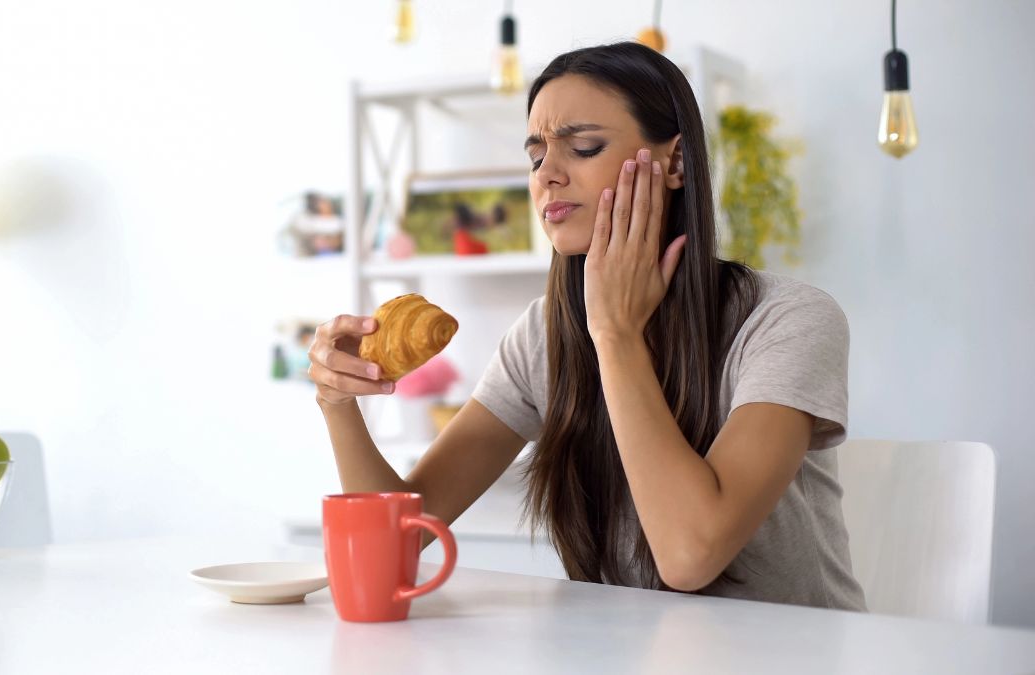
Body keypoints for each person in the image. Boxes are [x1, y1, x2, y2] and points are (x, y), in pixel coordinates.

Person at [307, 41, 865, 610]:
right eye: (535, 156)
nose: (547, 174)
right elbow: (406, 538)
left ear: (674, 163)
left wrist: (617, 335)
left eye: (583, 146)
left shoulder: (787, 321)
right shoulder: (544, 335)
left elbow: (690, 556)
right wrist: (337, 401)